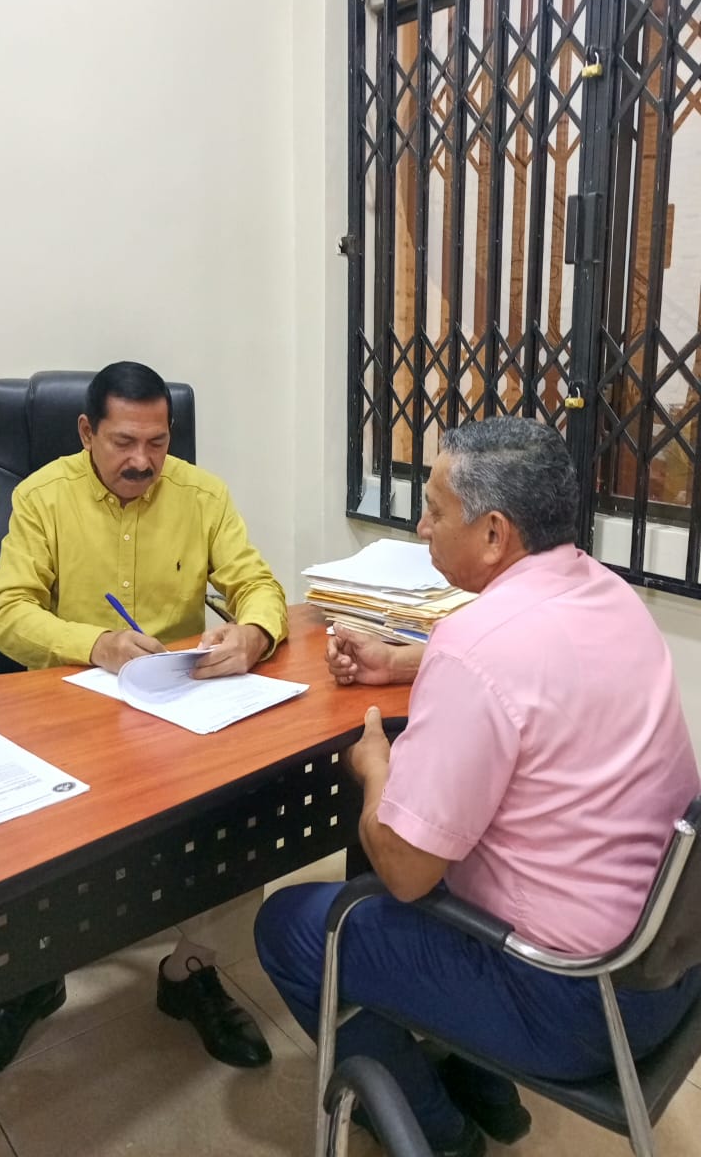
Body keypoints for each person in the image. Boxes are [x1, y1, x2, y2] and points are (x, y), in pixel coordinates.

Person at [255, 418, 701, 1157]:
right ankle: (485, 1088)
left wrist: (375, 770)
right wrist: (402, 662)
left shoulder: (479, 646)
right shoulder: (610, 594)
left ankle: (438, 1131)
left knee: (296, 925)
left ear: (494, 533)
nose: (422, 526)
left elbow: (405, 871)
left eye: (435, 509)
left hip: (573, 1004)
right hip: (666, 970)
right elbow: (532, 675)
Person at [0, 361, 288, 1080]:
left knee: (244, 810)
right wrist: (97, 644)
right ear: (86, 432)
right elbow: (6, 612)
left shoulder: (203, 495)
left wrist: (254, 633)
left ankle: (191, 972)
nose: (143, 461)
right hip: (69, 711)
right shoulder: (40, 496)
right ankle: (29, 979)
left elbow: (256, 583)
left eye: (157, 442)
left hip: (176, 712)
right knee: (27, 841)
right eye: (123, 442)